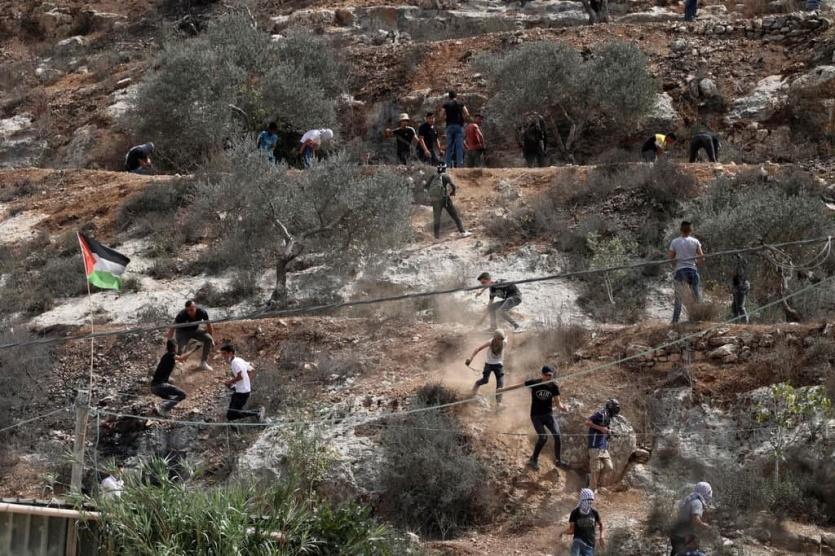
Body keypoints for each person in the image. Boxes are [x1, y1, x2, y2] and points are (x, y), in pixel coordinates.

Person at [524, 365, 568, 470]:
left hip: (548, 415)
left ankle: (558, 461)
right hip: (536, 416)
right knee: (543, 437)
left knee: (557, 435)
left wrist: (563, 408)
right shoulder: (535, 383)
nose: (549, 377)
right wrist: (502, 389)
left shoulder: (554, 386)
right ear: (542, 374)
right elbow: (520, 385)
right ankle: (533, 459)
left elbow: (558, 402)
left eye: (550, 375)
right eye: (547, 375)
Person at [668, 221, 705, 324]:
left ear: (681, 230)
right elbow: (702, 257)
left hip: (680, 271)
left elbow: (670, 258)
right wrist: (697, 264)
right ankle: (697, 319)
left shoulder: (675, 242)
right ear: (691, 230)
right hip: (692, 270)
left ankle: (675, 321)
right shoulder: (695, 241)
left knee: (679, 298)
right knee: (696, 296)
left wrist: (675, 266)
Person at [423, 163, 472, 240]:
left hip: (436, 201)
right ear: (444, 169)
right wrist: (453, 192)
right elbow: (453, 186)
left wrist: (431, 194)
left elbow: (425, 186)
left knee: (437, 219)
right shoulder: (445, 176)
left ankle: (436, 238)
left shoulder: (433, 176)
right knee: (455, 215)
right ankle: (462, 232)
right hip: (445, 200)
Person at [220, 343, 265, 422]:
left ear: (230, 353)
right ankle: (256, 413)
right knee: (231, 413)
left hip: (242, 393)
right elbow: (252, 369)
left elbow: (240, 376)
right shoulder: (239, 360)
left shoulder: (235, 363)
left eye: (224, 354)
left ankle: (257, 412)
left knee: (231, 415)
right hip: (241, 390)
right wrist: (246, 383)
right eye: (222, 354)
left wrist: (229, 382)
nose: (223, 356)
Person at [166, 299, 215, 371]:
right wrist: (169, 342)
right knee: (181, 352)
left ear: (196, 307)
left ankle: (203, 363)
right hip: (182, 332)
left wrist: (212, 339)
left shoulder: (202, 312)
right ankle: (176, 367)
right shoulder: (181, 315)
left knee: (209, 339)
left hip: (195, 330)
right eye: (187, 310)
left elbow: (209, 325)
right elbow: (173, 327)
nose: (189, 312)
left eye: (191, 310)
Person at [466, 329, 509, 408]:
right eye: (498, 339)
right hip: (488, 364)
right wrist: (470, 358)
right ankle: (475, 387)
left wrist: (507, 334)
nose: (500, 341)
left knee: (500, 383)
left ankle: (498, 403)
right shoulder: (490, 342)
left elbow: (507, 336)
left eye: (501, 339)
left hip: (498, 365)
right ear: (494, 338)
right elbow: (478, 349)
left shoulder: (504, 342)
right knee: (485, 380)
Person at [669, 482, 713, 556]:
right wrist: (707, 527)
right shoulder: (697, 503)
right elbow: (695, 521)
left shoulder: (688, 499)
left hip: (676, 536)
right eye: (709, 493)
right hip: (685, 538)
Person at [586, 399, 620, 492]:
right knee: (596, 469)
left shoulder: (609, 417)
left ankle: (592, 479)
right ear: (610, 407)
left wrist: (610, 432)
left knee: (609, 467)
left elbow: (606, 429)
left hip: (603, 447)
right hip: (594, 445)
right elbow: (587, 422)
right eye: (615, 409)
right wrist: (601, 428)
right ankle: (591, 490)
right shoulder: (600, 413)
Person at [562, 489, 605, 555]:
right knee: (577, 543)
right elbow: (572, 530)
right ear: (582, 500)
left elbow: (601, 525)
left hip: (590, 544)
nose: (589, 502)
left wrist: (601, 536)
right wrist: (563, 532)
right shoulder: (575, 513)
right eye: (588, 500)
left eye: (591, 500)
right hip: (578, 542)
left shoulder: (594, 512)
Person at [150, 339, 188, 417]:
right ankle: (163, 408)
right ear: (174, 347)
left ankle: (162, 409)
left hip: (153, 387)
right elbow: (182, 359)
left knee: (172, 397)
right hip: (160, 386)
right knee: (183, 395)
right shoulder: (172, 355)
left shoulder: (165, 356)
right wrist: (194, 349)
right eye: (176, 347)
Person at [442, 90, 469, 168]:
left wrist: (446, 118)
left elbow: (441, 115)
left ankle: (447, 164)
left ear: (449, 96)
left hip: (449, 126)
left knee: (449, 146)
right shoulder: (460, 103)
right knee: (459, 146)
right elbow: (467, 113)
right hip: (458, 126)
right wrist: (462, 119)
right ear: (456, 96)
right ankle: (460, 164)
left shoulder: (446, 104)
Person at [731, 254, 750, 324]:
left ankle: (745, 322)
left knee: (740, 307)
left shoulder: (740, 267)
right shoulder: (737, 267)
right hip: (738, 286)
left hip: (741, 287)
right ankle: (736, 322)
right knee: (734, 307)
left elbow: (740, 277)